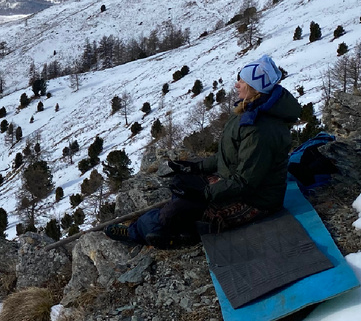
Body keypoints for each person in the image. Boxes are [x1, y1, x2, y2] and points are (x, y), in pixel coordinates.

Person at [107, 54, 301, 247]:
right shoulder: (251, 110)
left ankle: (145, 232)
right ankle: (170, 225)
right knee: (182, 182)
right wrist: (194, 167)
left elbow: (246, 182)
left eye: (242, 81)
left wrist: (204, 194)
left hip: (256, 199)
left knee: (183, 207)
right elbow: (230, 156)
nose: (237, 85)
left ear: (254, 88)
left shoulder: (261, 130)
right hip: (235, 182)